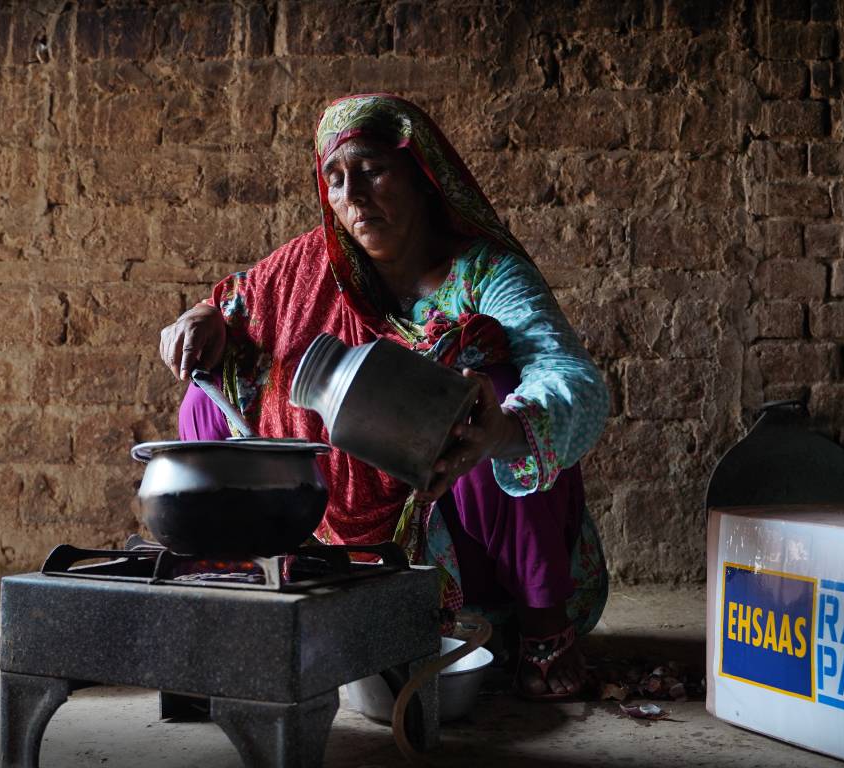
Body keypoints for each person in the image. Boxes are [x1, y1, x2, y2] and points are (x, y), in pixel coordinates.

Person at [158, 94, 610, 699]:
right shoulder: (312, 265)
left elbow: (567, 373)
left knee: (490, 398)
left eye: (372, 170)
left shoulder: (483, 276)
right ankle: (246, 592)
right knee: (208, 392)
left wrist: (502, 430)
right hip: (325, 529)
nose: (354, 197)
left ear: (422, 175)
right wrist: (200, 317)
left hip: (457, 535)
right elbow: (233, 303)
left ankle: (544, 634)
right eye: (337, 180)